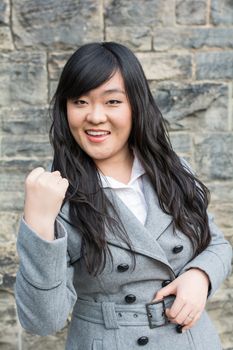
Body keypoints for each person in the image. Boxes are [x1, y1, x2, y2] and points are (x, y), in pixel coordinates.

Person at [15, 42, 232, 350]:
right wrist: (38, 223)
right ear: (65, 109)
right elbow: (42, 321)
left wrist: (200, 276)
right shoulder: (55, 192)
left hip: (193, 341)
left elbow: (217, 244)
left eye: (112, 101)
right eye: (80, 101)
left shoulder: (172, 169)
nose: (95, 116)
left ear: (136, 105)